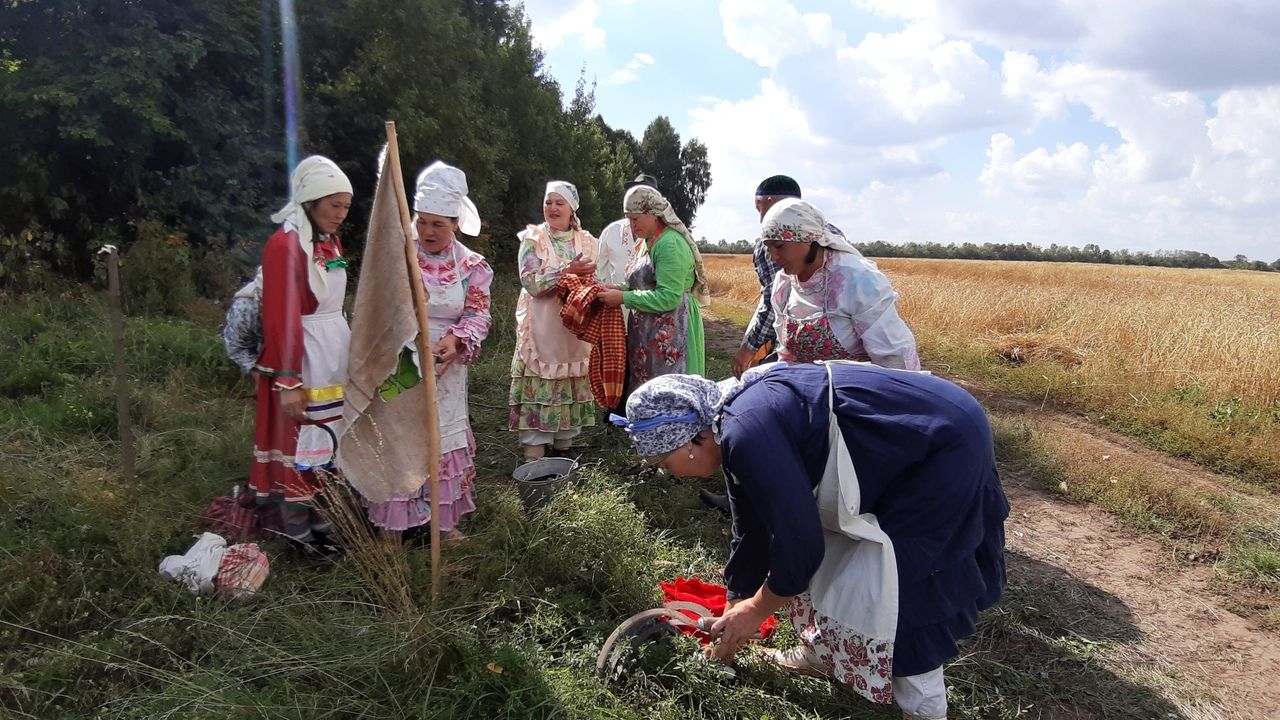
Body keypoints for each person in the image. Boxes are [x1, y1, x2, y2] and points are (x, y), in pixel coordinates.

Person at [611, 362, 1009, 720]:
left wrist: (757, 610)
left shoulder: (746, 432)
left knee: (899, 580)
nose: (670, 475)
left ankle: (925, 709)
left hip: (941, 442)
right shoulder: (727, 425)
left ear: (692, 442)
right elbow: (749, 529)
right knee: (835, 549)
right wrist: (736, 606)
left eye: (665, 463)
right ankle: (821, 652)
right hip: (904, 440)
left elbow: (801, 547)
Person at [366, 161, 493, 535]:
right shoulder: (399, 258)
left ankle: (443, 523)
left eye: (438, 224)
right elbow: (377, 307)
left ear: (455, 223)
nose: (427, 231)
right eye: (421, 221)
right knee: (401, 435)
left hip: (446, 363)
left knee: (443, 439)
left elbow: (478, 314)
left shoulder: (472, 265)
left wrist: (455, 340)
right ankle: (393, 527)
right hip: (401, 359)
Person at [249, 155, 353, 554]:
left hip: (332, 350)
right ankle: (297, 532)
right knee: (302, 440)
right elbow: (280, 314)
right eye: (334, 206)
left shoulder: (328, 242)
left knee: (328, 438)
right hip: (302, 353)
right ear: (311, 200)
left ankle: (324, 522)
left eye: (345, 207)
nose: (341, 215)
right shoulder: (284, 245)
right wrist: (288, 378)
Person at [763, 198, 919, 369]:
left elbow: (894, 358)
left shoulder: (858, 279)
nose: (773, 257)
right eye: (768, 248)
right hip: (807, 386)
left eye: (779, 246)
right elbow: (786, 355)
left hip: (861, 388)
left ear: (807, 238)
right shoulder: (783, 284)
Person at [509, 181, 599, 462]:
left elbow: (598, 278)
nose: (552, 208)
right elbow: (532, 283)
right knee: (541, 375)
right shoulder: (533, 239)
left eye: (559, 202)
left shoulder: (587, 242)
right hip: (542, 323)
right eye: (548, 202)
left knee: (571, 373)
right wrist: (565, 272)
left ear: (572, 208)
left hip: (573, 328)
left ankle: (564, 446)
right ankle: (534, 452)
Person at [599, 185, 710, 392]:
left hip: (672, 330)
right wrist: (617, 288)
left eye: (635, 219)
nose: (631, 226)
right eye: (629, 219)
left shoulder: (670, 244)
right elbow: (646, 282)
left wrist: (623, 298)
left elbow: (668, 297)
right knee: (649, 390)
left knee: (670, 391)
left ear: (653, 214)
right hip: (650, 330)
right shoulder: (648, 241)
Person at [731, 175, 802, 378]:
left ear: (769, 203)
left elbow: (775, 301)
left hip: (795, 349)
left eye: (759, 208)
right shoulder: (830, 234)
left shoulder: (770, 241)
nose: (761, 218)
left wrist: (749, 348)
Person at [595, 174, 656, 289]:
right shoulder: (611, 232)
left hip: (652, 306)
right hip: (615, 306)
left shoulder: (665, 237)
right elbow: (598, 272)